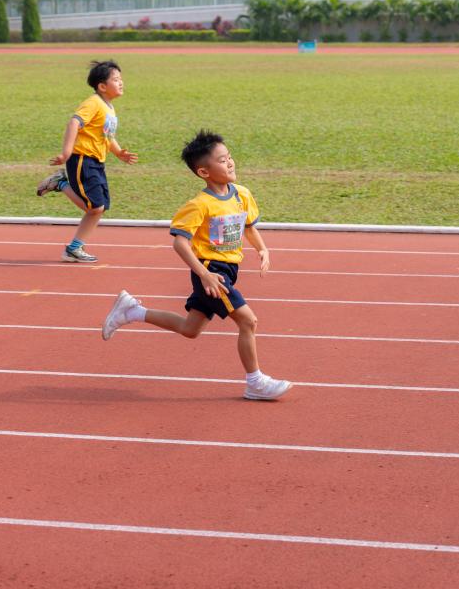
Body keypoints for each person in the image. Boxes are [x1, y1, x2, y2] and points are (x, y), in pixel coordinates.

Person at [101, 130, 291, 401]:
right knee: (248, 321)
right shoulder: (200, 205)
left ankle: (133, 311)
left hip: (228, 271)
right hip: (212, 271)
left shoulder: (242, 195)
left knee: (190, 329)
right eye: (222, 160)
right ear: (204, 172)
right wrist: (205, 275)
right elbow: (180, 242)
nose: (230, 163)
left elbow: (248, 226)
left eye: (229, 157)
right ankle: (255, 382)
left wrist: (262, 248)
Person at [36, 60, 138, 263]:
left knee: (99, 207)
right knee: (95, 207)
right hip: (82, 158)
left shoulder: (108, 108)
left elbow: (106, 136)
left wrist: (119, 152)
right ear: (102, 86)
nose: (121, 82)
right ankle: (60, 183)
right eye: (116, 79)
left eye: (121, 78)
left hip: (97, 162)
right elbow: (74, 122)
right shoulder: (93, 103)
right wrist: (66, 153)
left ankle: (74, 248)